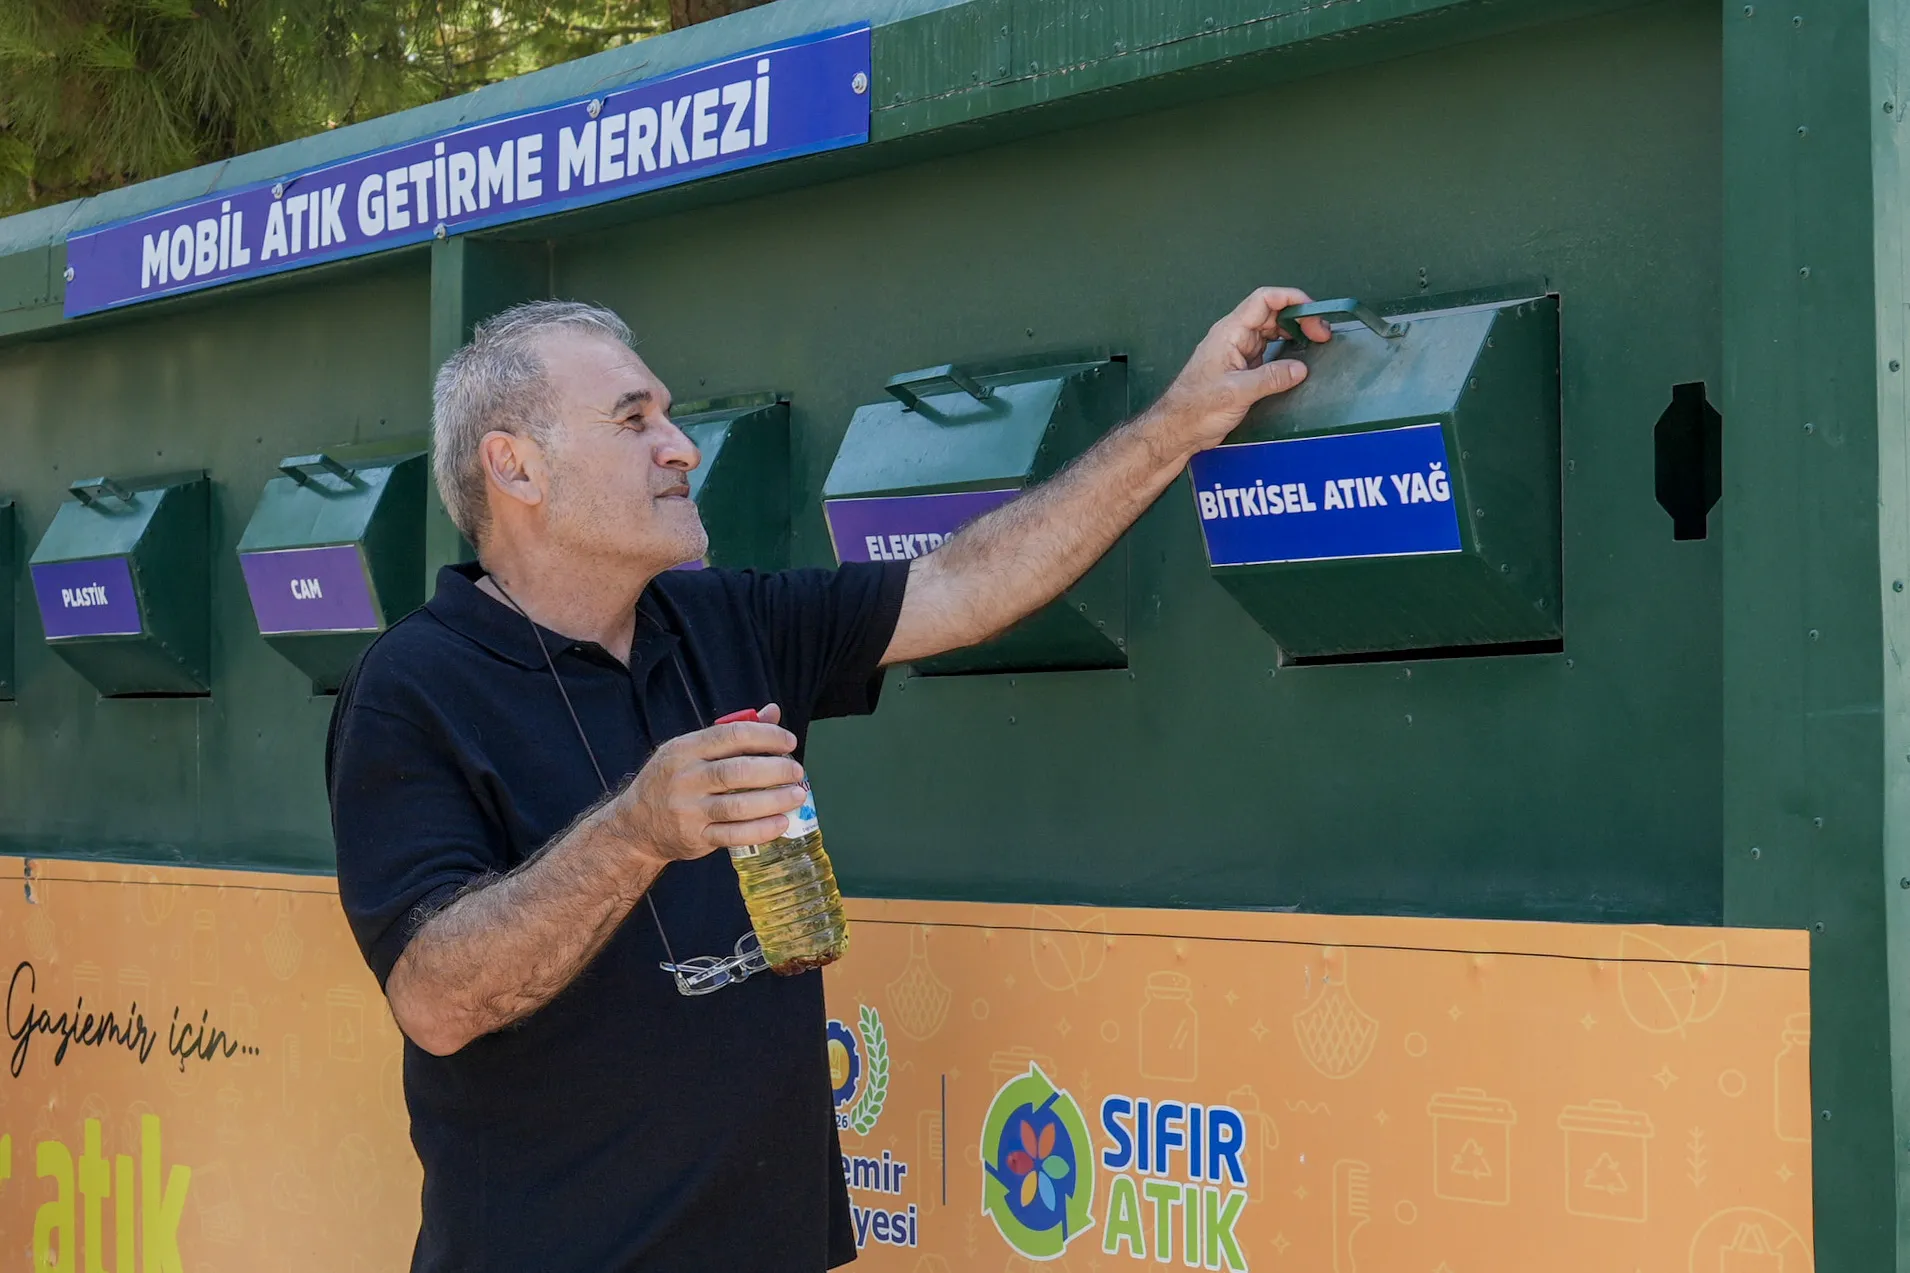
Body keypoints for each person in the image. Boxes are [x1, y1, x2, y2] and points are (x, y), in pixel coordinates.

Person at [325, 288, 1331, 1272]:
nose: (681, 448)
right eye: (635, 422)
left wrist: (1176, 425)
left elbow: (963, 586)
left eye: (669, 417)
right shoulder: (411, 687)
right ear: (516, 466)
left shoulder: (728, 621)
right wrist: (636, 829)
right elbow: (436, 999)